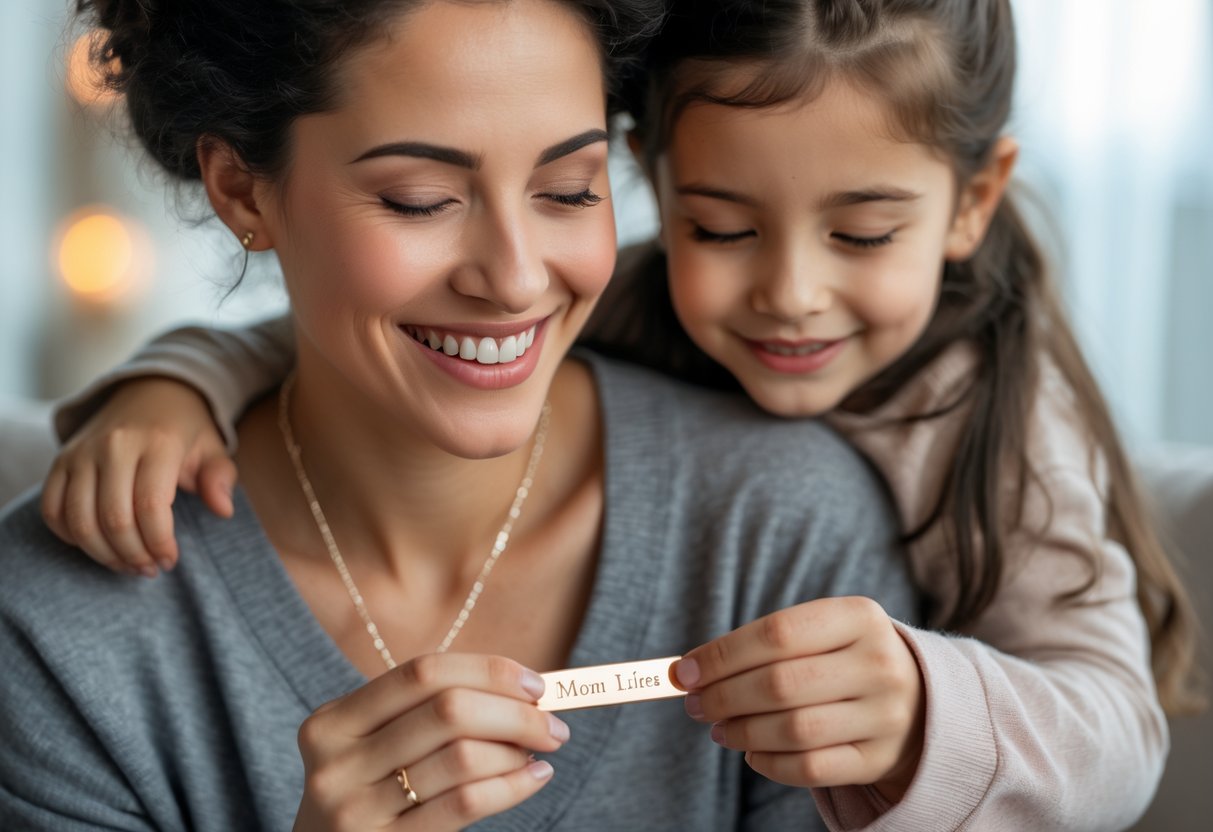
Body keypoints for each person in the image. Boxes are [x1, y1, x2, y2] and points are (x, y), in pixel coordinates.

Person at [36, 0, 1207, 829]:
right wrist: (176, 378)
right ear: (243, 187)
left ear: (974, 202)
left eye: (566, 189)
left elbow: (1112, 721)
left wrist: (923, 711)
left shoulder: (863, 487)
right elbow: (357, 336)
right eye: (421, 197)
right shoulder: (60, 630)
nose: (514, 273)